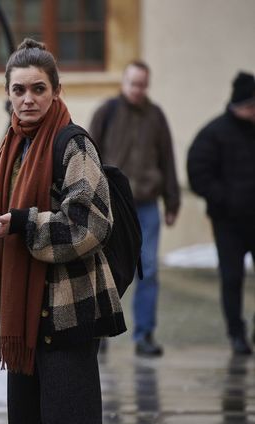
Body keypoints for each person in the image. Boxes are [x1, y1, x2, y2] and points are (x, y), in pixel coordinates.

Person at [0, 38, 125, 424]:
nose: (28, 99)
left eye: (38, 88)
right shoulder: (13, 144)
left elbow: (88, 225)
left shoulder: (73, 143)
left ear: (56, 90)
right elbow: (14, 237)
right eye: (19, 90)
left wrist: (19, 223)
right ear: (8, 95)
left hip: (67, 314)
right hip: (23, 319)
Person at [89, 60, 180, 357]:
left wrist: (172, 201)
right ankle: (100, 331)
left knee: (149, 270)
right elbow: (87, 155)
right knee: (106, 269)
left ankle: (144, 335)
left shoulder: (156, 116)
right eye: (133, 83)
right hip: (112, 204)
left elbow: (167, 158)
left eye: (142, 84)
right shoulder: (107, 112)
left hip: (147, 205)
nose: (138, 89)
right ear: (123, 83)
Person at [187, 71, 255, 355]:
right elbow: (197, 173)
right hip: (228, 221)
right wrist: (224, 200)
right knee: (231, 278)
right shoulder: (214, 133)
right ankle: (236, 334)